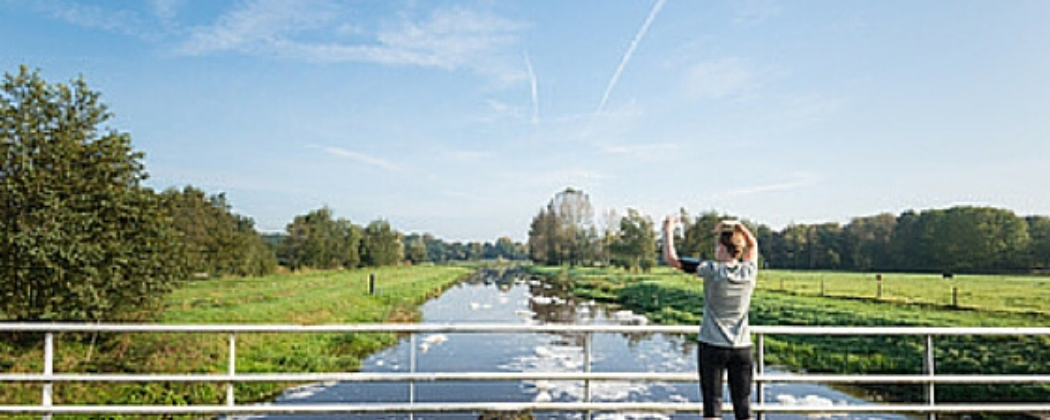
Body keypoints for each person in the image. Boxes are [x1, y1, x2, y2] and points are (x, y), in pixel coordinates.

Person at [662, 216, 758, 420]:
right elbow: (753, 244)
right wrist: (738, 226)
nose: (715, 251)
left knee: (713, 403)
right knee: (743, 405)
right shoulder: (749, 271)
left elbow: (672, 259)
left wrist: (668, 230)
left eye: (717, 247)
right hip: (742, 347)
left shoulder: (711, 270)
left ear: (723, 249)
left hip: (712, 345)